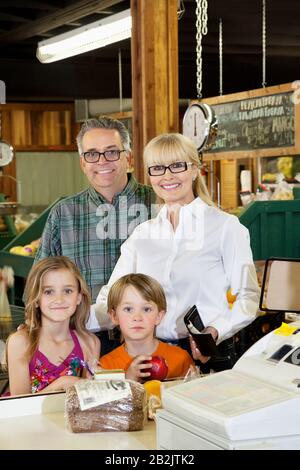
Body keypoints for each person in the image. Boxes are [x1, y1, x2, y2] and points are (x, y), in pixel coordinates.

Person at [94, 133, 260, 372]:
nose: (167, 176)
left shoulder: (225, 227)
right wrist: (67, 320)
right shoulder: (142, 234)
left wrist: (215, 331)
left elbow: (248, 297)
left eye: (177, 166)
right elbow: (110, 297)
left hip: (208, 355)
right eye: (157, 168)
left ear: (195, 170)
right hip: (151, 354)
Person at [34, 116, 155, 354]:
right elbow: (41, 281)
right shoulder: (64, 213)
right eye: (92, 154)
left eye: (111, 152)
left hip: (150, 339)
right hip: (84, 341)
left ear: (128, 157)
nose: (101, 161)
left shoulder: (157, 203)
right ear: (82, 162)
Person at [6, 256, 100, 396]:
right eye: (48, 292)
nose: (59, 300)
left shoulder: (89, 343)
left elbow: (91, 398)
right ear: (36, 299)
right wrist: (61, 384)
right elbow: (19, 406)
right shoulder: (20, 343)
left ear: (79, 297)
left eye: (67, 291)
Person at [99, 273, 194, 382]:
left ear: (159, 316)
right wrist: (127, 380)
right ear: (114, 316)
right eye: (128, 309)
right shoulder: (106, 367)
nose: (137, 317)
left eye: (146, 309)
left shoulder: (180, 359)